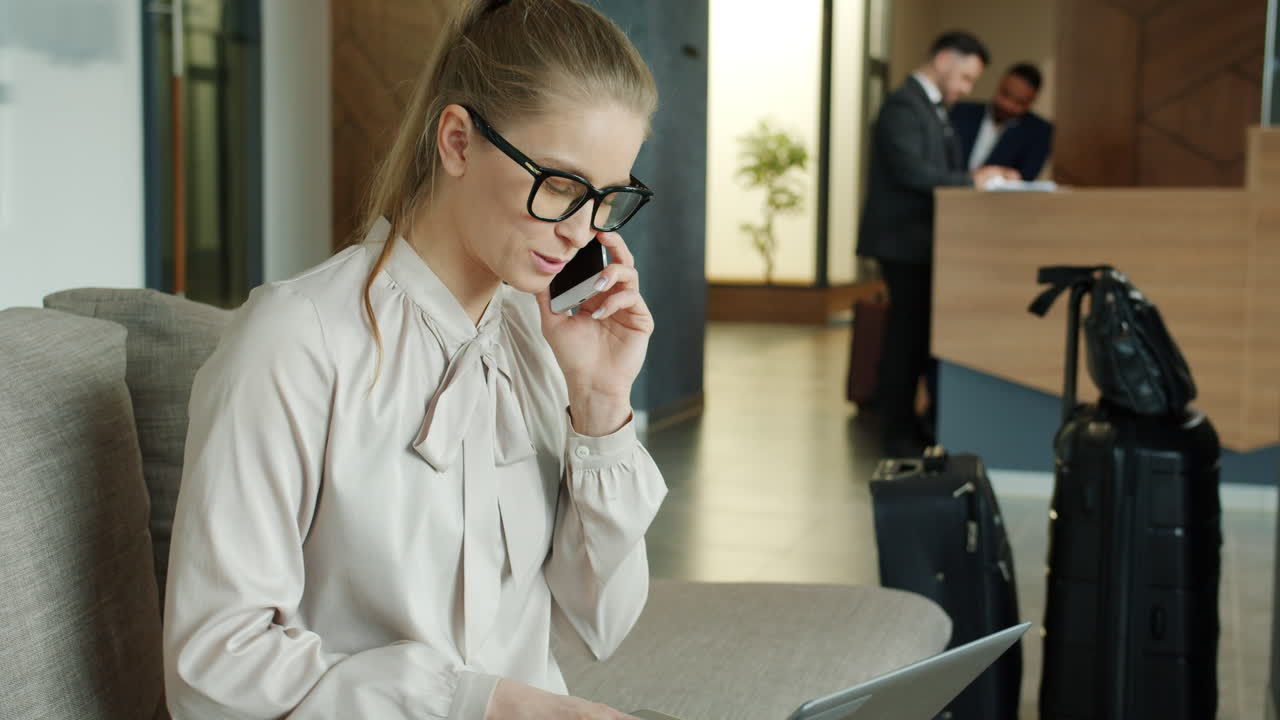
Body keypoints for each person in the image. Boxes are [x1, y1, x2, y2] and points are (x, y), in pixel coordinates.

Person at [162, 1, 667, 718]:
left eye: (607, 200)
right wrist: (480, 705)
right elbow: (210, 668)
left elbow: (604, 624)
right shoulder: (296, 341)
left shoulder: (543, 339)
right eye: (559, 185)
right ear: (457, 141)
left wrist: (600, 402)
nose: (582, 232)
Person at [856, 31, 1016, 457]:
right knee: (905, 338)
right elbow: (911, 172)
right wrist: (973, 181)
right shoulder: (903, 105)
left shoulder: (932, 108)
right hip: (903, 241)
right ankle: (896, 429)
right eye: (964, 76)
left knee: (914, 336)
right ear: (944, 59)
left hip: (923, 241)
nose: (965, 89)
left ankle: (910, 424)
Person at [950, 63, 1054, 181]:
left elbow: (1025, 179)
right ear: (1000, 85)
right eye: (1005, 94)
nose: (1007, 105)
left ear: (1032, 101)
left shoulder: (1039, 132)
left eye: (1019, 102)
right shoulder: (960, 113)